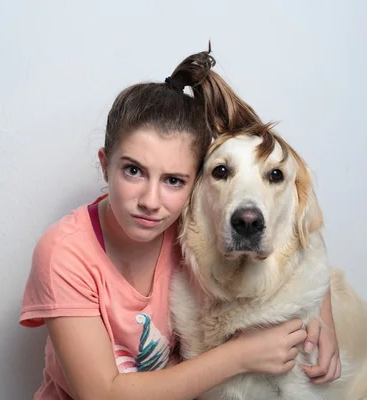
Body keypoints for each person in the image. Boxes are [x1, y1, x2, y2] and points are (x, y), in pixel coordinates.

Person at [19, 48, 341, 400]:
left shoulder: (186, 224)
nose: (151, 201)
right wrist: (240, 356)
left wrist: (322, 319)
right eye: (133, 170)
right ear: (104, 164)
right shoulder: (64, 254)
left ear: (195, 187)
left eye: (173, 180)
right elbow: (102, 394)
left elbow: (292, 225)